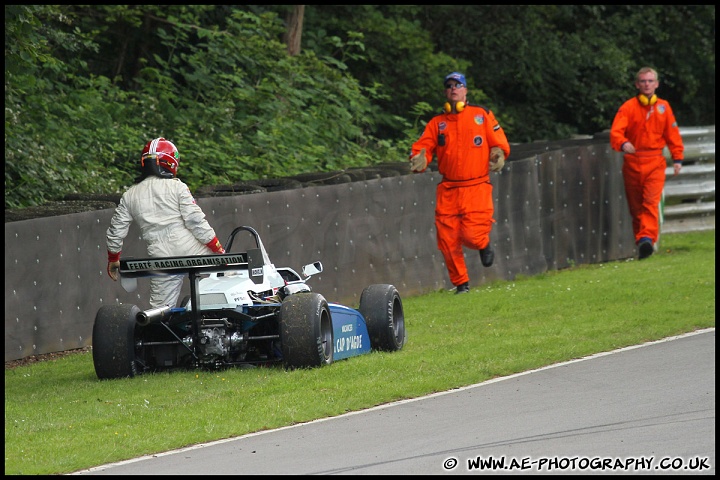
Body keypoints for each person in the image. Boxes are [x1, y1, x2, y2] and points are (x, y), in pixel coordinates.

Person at [409, 72, 511, 294]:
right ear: (446, 92)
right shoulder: (438, 123)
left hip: (477, 187)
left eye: (458, 85)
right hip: (449, 190)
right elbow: (422, 148)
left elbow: (499, 143)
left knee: (471, 236)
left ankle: (483, 245)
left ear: (466, 90)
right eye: (449, 86)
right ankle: (461, 284)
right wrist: (419, 158)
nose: (453, 88)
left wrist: (499, 154)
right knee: (447, 240)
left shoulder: (481, 115)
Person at [106, 137, 225, 307]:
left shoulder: (129, 195)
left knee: (160, 311)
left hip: (160, 256)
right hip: (191, 249)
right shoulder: (177, 187)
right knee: (225, 279)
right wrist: (218, 250)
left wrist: (113, 257)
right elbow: (195, 221)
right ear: (170, 163)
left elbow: (115, 231)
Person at [610, 67, 684, 260]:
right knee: (636, 208)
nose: (647, 84)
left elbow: (672, 134)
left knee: (650, 203)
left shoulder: (664, 107)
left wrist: (677, 158)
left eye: (650, 81)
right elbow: (616, 132)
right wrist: (623, 143)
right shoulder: (628, 108)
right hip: (633, 162)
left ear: (657, 84)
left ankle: (647, 238)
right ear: (637, 84)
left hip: (655, 161)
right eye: (643, 81)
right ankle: (643, 243)